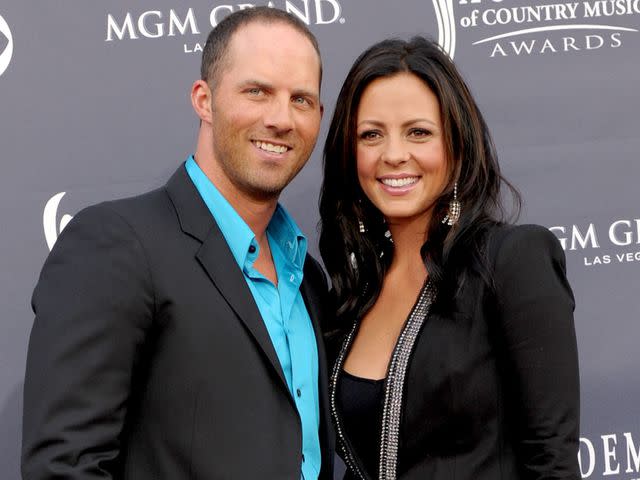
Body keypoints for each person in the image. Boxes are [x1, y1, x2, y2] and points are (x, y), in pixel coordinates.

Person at [22, 7, 334, 480]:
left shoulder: (307, 275)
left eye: (301, 100)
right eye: (257, 91)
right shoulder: (118, 245)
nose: (280, 119)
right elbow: (64, 466)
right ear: (204, 100)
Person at [319, 37, 579, 479]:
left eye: (418, 132)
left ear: (457, 146)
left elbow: (551, 462)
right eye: (371, 134)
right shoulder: (356, 291)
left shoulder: (511, 261)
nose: (394, 154)